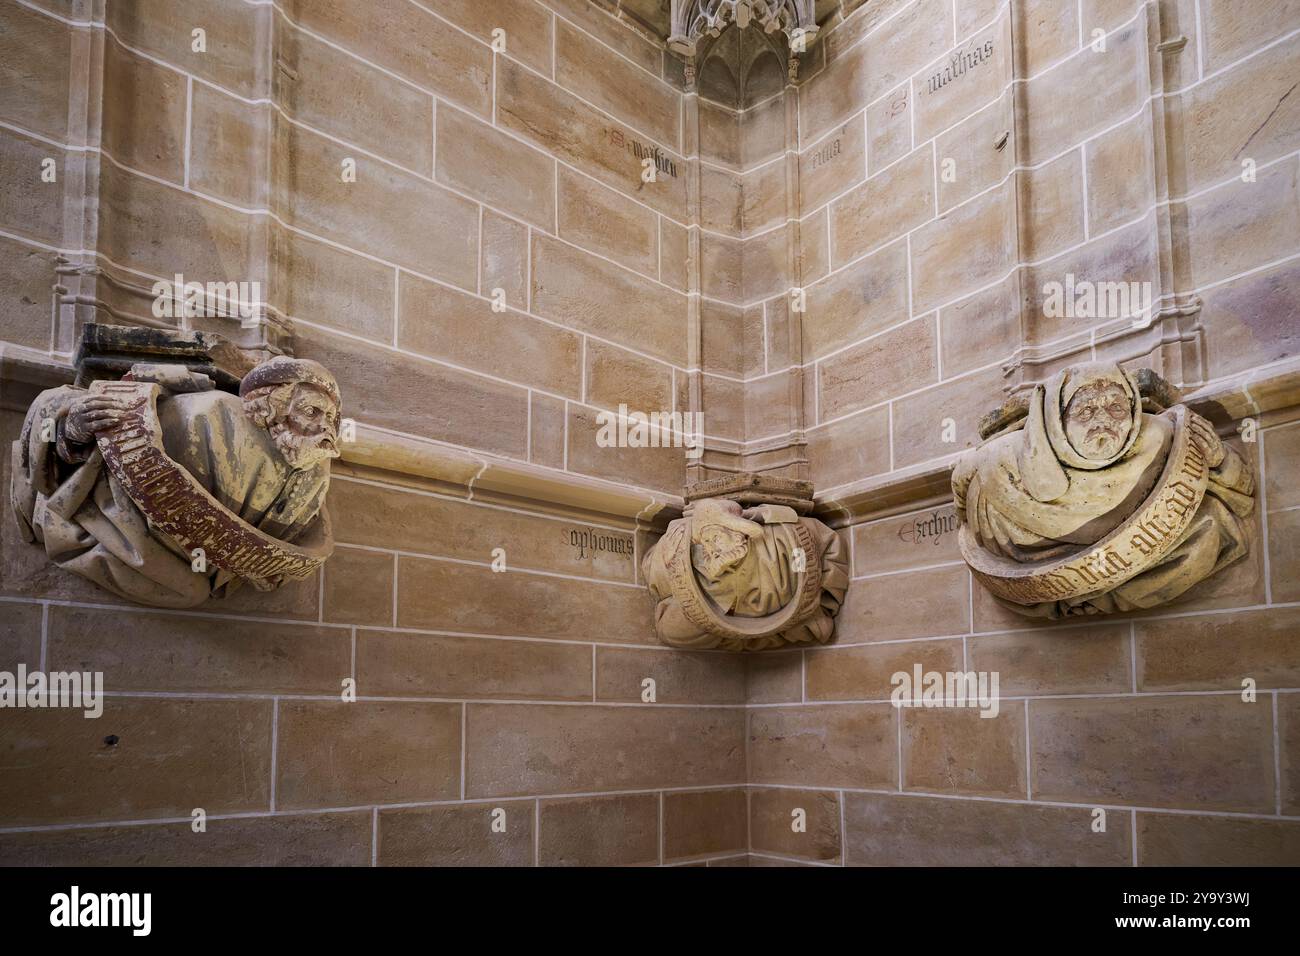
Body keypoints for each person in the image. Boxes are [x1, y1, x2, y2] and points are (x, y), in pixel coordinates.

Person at [11, 356, 340, 607]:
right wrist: (72, 432)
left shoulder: (313, 471)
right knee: (189, 589)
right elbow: (110, 453)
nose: (324, 427)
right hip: (122, 523)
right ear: (274, 407)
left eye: (330, 418)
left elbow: (276, 548)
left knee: (191, 590)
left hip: (205, 565)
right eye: (311, 411)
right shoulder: (209, 414)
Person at [951, 362, 1254, 617]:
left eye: (1116, 408)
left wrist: (1220, 460)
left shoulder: (1165, 442)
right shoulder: (1002, 467)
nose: (1102, 422)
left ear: (1134, 410)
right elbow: (966, 501)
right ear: (1054, 421)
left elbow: (1238, 495)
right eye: (1084, 412)